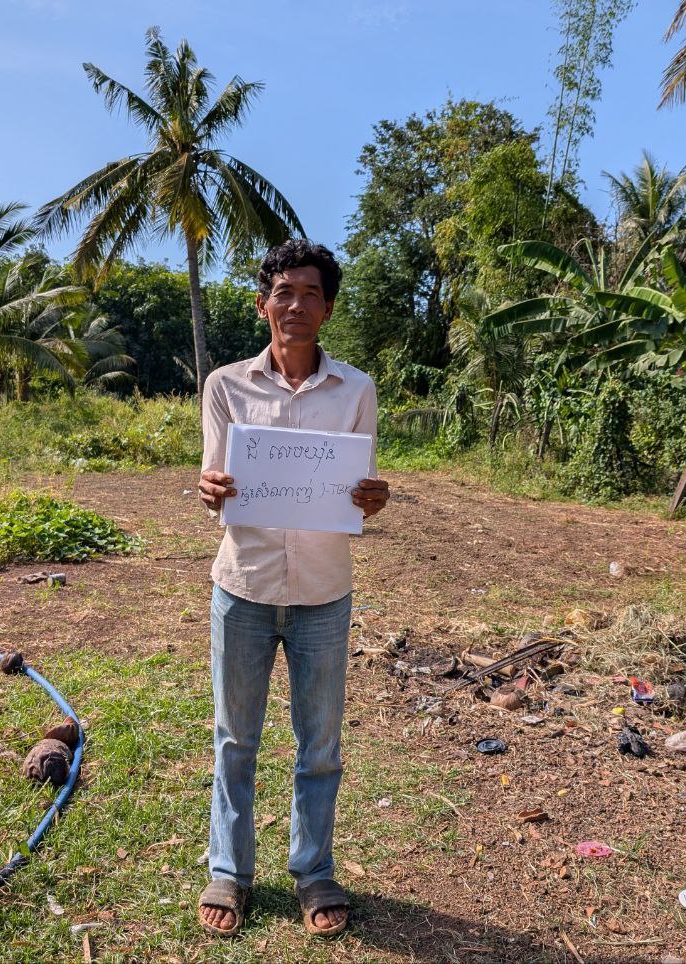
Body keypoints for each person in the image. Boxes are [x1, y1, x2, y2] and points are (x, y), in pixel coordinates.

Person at [195, 239, 389, 938]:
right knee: (234, 740)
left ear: (327, 309)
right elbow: (216, 483)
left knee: (320, 744)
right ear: (263, 305)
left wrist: (372, 498)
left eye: (311, 294)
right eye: (284, 292)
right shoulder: (225, 386)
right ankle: (229, 871)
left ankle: (313, 871)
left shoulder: (356, 391)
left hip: (324, 592)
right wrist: (210, 489)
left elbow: (359, 484)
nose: (296, 305)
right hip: (243, 585)